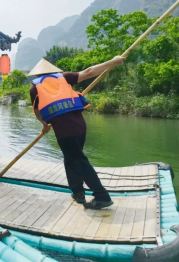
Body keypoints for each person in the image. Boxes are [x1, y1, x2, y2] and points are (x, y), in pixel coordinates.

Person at [28, 56, 126, 210]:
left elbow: (37, 111)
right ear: (54, 71)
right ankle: (78, 192)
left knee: (78, 160)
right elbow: (88, 72)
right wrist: (112, 62)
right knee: (71, 159)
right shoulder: (64, 77)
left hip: (64, 131)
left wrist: (44, 125)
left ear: (36, 75)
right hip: (80, 127)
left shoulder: (34, 88)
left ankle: (101, 196)